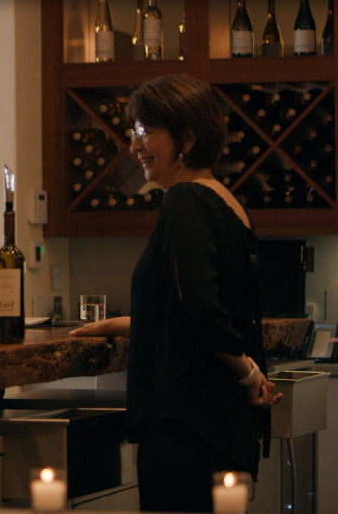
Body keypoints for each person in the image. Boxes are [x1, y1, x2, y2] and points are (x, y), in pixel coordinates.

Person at [69, 74, 281, 513]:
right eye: (134, 131)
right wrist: (118, 325)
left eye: (146, 131)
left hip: (188, 426)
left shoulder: (184, 199)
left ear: (186, 136)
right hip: (214, 426)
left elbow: (202, 308)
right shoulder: (226, 203)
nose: (134, 145)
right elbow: (190, 313)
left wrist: (246, 373)